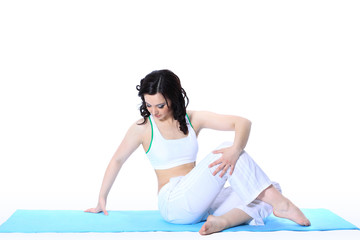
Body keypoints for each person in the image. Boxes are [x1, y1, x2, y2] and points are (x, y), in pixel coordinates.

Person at [85, 69, 311, 235]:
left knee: (268, 188)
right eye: (149, 105)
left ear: (173, 99)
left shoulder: (192, 119)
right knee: (226, 155)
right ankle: (283, 206)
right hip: (174, 203)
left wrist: (235, 150)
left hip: (202, 204)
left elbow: (243, 122)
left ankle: (223, 222)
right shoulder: (143, 128)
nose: (154, 111)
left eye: (160, 105)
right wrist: (101, 199)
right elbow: (117, 160)